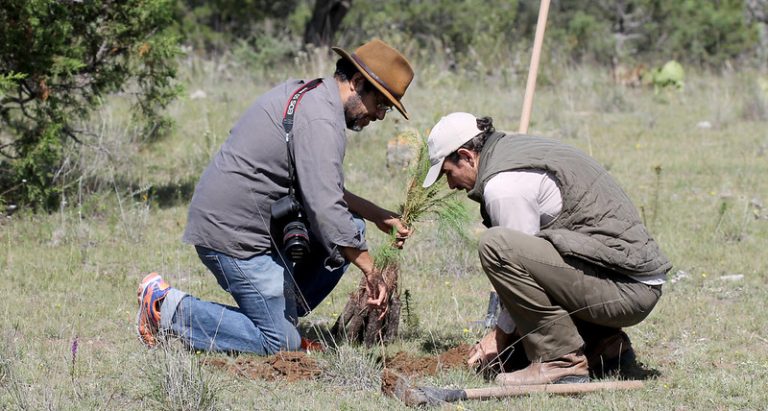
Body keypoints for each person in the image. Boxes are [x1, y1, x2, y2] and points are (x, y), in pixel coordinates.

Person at [136, 39, 414, 355]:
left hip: (253, 227)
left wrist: (378, 215)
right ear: (358, 83)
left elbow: (322, 189)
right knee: (280, 343)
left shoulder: (315, 96)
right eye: (381, 103)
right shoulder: (322, 119)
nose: (379, 115)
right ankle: (164, 308)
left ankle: (280, 317)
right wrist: (372, 270)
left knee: (354, 225)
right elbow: (325, 207)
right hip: (233, 237)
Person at [422, 112, 670, 385]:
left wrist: (498, 337)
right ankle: (604, 345)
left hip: (626, 291)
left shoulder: (503, 186)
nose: (451, 185)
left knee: (496, 247)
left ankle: (559, 361)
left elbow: (517, 265)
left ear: (467, 156)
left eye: (448, 173)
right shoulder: (514, 149)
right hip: (627, 280)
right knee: (533, 253)